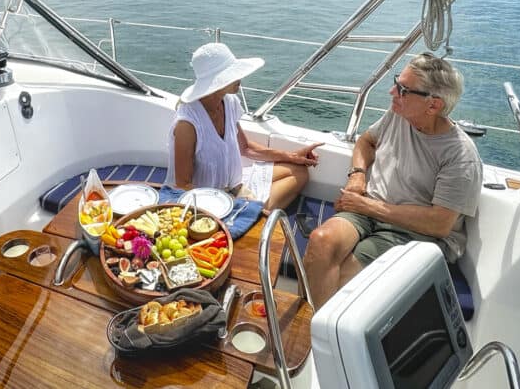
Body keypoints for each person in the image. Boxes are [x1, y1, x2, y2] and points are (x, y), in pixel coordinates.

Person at [302, 52, 482, 309]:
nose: (392, 92)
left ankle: (324, 338)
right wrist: (357, 177)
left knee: (342, 281)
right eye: (397, 82)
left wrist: (364, 205)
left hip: (415, 234)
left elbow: (439, 224)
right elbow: (366, 141)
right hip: (368, 210)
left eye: (403, 89)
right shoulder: (400, 115)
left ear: (433, 106)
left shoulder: (461, 156)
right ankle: (316, 330)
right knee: (320, 242)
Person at [164, 42, 321, 215]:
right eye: (233, 74)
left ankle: (256, 212)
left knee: (300, 172)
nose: (240, 78)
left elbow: (245, 148)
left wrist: (292, 156)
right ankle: (253, 214)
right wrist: (222, 206)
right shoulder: (187, 124)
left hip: (235, 185)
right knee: (258, 211)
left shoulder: (229, 102)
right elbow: (183, 185)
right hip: (207, 200)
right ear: (216, 81)